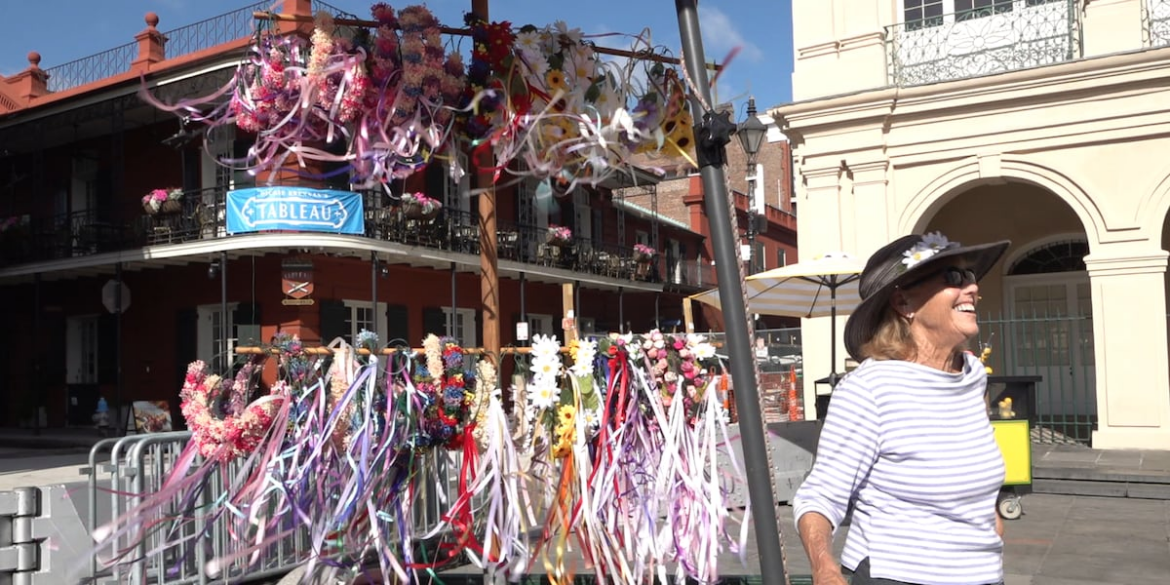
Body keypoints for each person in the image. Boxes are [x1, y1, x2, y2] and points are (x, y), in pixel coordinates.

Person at [792, 232, 1010, 585]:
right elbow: (820, 495)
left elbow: (970, 470)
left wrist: (991, 521)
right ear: (904, 303)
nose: (971, 288)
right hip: (896, 575)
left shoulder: (972, 377)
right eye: (954, 278)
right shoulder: (870, 389)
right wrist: (825, 569)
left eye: (971, 277)